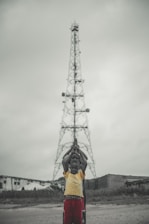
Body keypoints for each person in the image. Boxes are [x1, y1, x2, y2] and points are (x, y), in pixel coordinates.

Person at [62, 140, 87, 224]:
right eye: (72, 159)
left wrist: (78, 151)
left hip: (78, 201)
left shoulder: (80, 173)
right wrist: (72, 151)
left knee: (78, 221)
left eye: (76, 159)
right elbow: (64, 161)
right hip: (68, 200)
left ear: (79, 164)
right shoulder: (67, 173)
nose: (74, 160)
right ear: (69, 164)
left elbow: (85, 162)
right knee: (67, 221)